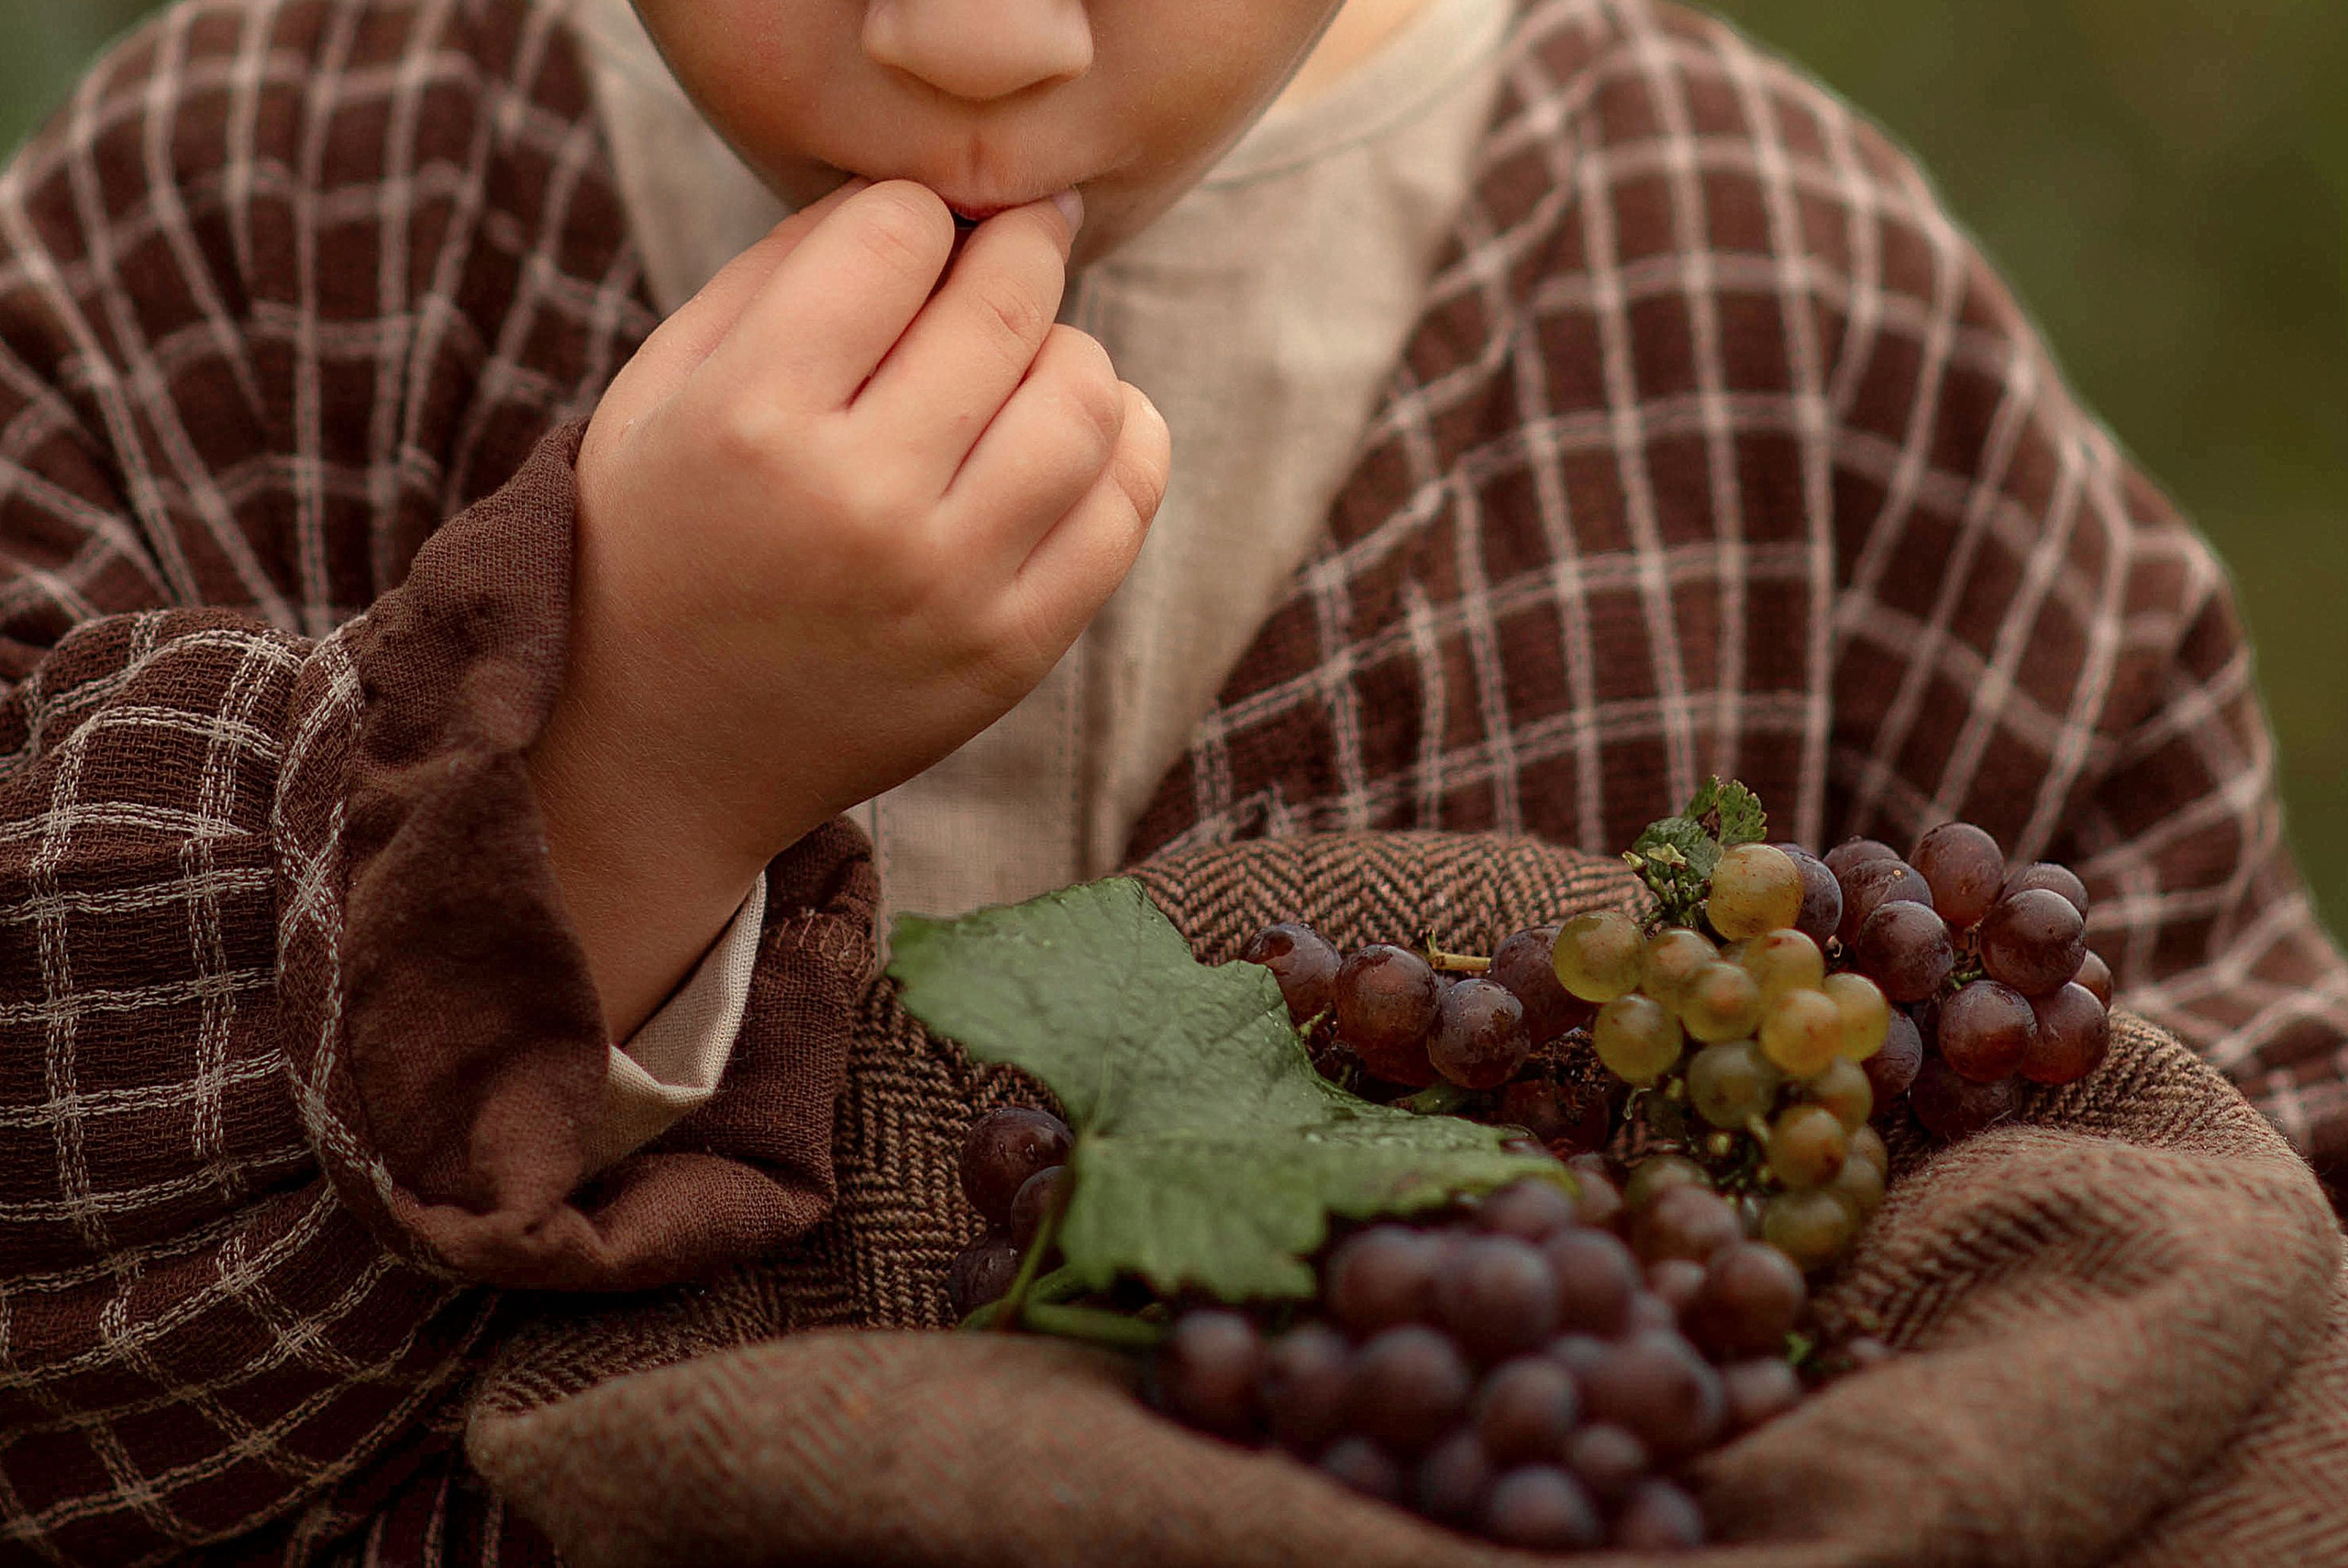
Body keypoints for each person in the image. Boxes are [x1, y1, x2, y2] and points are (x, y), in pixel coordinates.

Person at [0, 0, 2340, 1560]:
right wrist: (609, 767)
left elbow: (2229, 1175)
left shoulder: (1793, 312)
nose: (969, 32)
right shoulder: (246, 220)